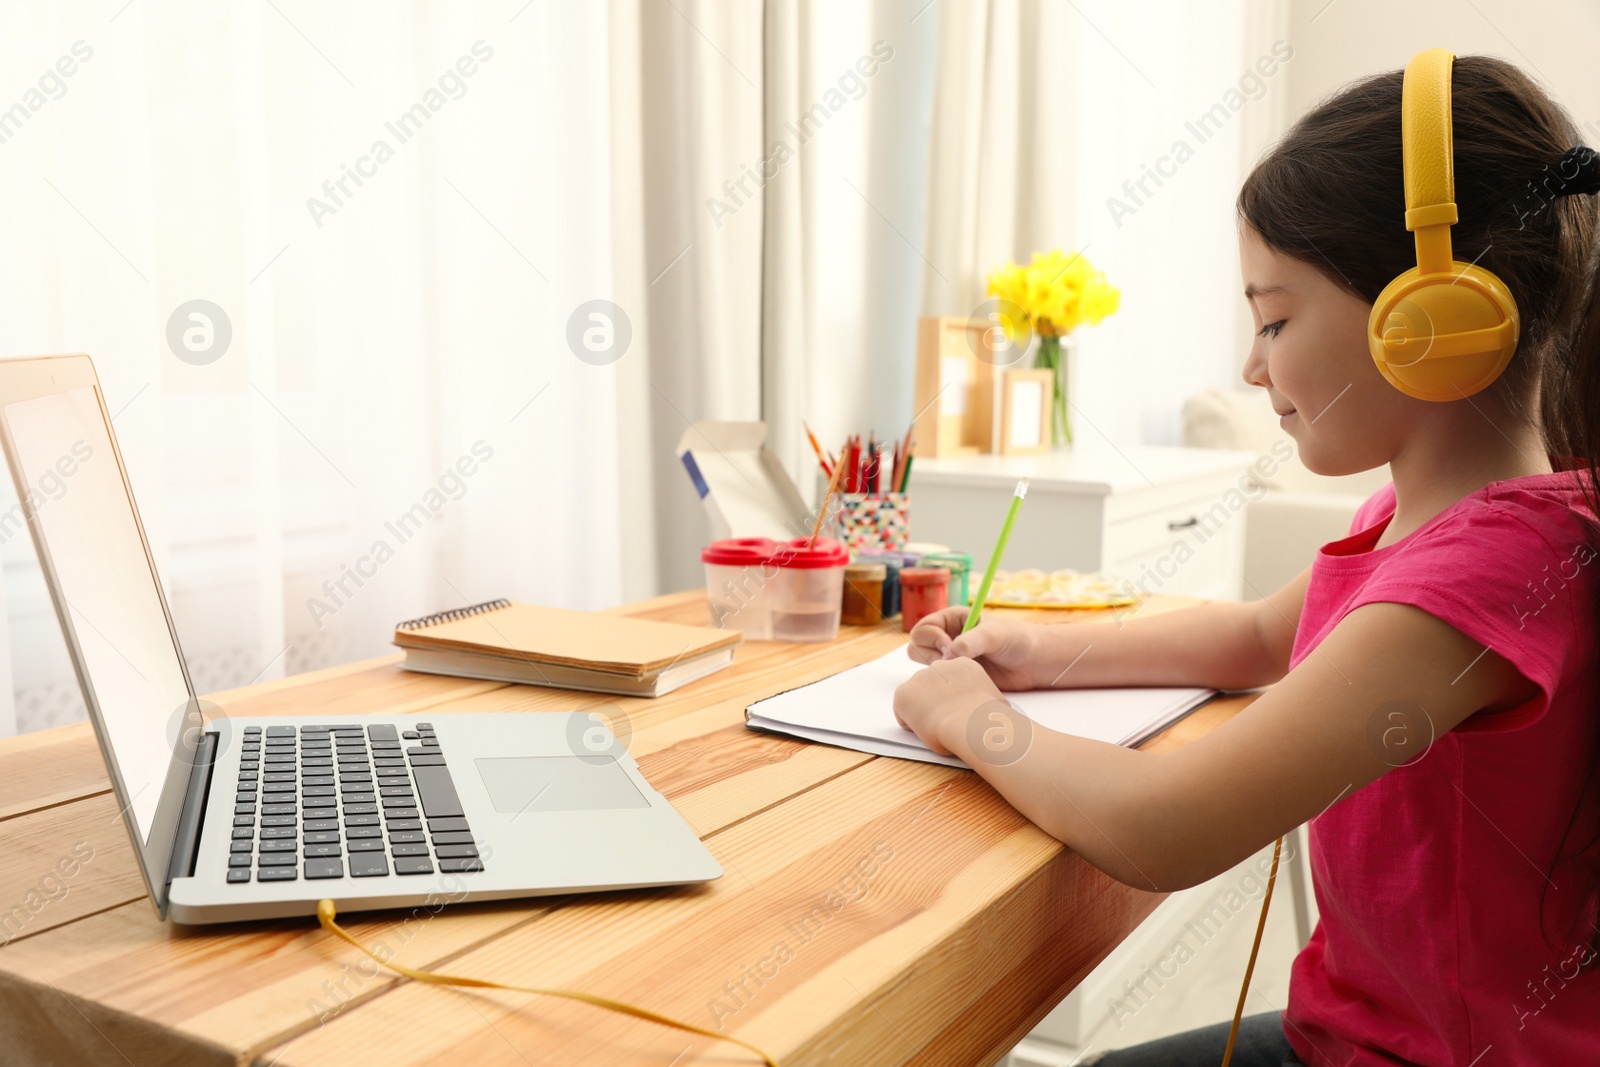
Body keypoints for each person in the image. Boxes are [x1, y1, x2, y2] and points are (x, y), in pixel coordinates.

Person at [892, 53, 1600, 1066]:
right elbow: (1257, 635)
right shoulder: (1426, 522)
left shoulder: (1486, 574)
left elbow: (1165, 827)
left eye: (1274, 318)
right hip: (1358, 1027)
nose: (1252, 364)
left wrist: (970, 719)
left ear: (1428, 318)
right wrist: (1036, 652)